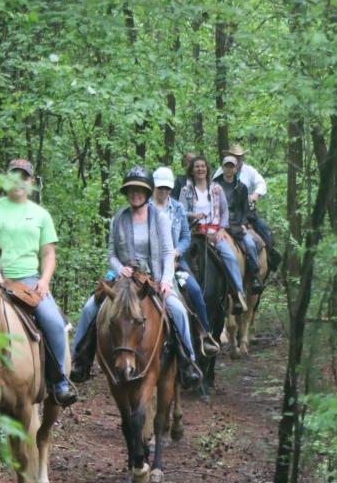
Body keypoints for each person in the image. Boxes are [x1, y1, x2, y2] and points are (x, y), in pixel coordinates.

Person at [71, 166, 202, 388]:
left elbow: (168, 252)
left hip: (153, 277)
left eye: (140, 190)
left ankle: (187, 361)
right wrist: (119, 267)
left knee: (178, 310)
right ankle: (79, 360)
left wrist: (166, 281)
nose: (135, 194)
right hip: (122, 278)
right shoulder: (118, 219)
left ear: (147, 192)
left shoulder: (159, 218)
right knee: (89, 309)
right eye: (131, 190)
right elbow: (111, 253)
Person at [0, 159, 77, 407]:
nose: (19, 181)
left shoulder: (40, 215)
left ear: (31, 182)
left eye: (24, 177)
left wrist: (45, 280)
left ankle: (59, 383)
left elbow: (48, 254)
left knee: (53, 322)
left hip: (27, 281)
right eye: (14, 176)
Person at [150, 166, 220, 356]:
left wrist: (175, 252)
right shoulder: (145, 208)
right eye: (160, 188)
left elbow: (185, 237)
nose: (164, 192)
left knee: (195, 290)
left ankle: (204, 335)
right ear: (153, 187)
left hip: (176, 262)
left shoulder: (178, 208)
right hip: (148, 263)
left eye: (167, 188)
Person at [178, 153, 248, 314]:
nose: (200, 169)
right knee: (179, 258)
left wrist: (222, 228)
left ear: (207, 169)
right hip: (193, 233)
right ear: (192, 170)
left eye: (202, 166)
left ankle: (237, 294)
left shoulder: (216, 189)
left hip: (213, 233)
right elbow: (180, 212)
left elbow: (224, 211)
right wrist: (192, 215)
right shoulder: (185, 190)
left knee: (229, 257)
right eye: (197, 167)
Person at [214, 144, 280, 268]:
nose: (237, 160)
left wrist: (255, 195)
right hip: (224, 213)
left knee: (263, 228)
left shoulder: (249, 171)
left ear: (242, 158)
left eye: (239, 157)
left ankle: (270, 255)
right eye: (234, 157)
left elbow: (261, 183)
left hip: (245, 210)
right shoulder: (220, 172)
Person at [214, 156, 263, 293]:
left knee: (251, 244)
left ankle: (254, 276)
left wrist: (243, 223)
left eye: (232, 166)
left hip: (237, 224)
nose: (229, 169)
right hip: (219, 224)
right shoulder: (215, 185)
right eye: (227, 166)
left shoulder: (241, 187)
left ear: (236, 169)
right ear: (222, 167)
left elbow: (245, 209)